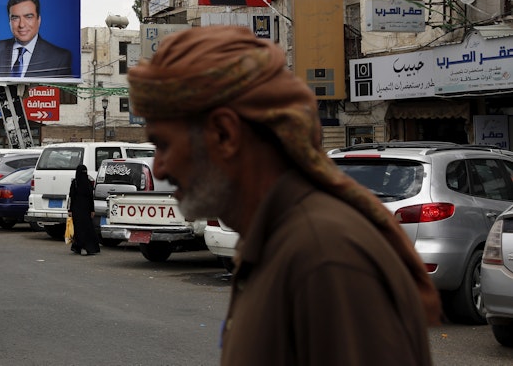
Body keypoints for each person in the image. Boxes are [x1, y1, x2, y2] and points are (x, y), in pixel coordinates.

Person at [126, 25, 440, 365]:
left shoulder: (325, 255)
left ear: (224, 133)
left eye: (163, 145)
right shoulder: (277, 241)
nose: (157, 169)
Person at [68, 164, 100, 255]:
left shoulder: (75, 183)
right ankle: (84, 247)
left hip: (78, 210)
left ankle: (82, 247)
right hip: (84, 210)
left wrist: (70, 210)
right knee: (86, 228)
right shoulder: (87, 182)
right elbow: (91, 198)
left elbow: (71, 197)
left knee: (79, 229)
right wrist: (92, 210)